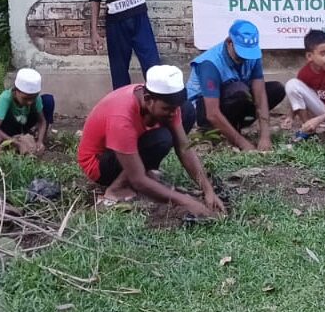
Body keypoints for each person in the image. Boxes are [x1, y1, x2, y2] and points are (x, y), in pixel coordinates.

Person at [76, 65, 225, 216]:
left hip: (125, 148)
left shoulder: (161, 101)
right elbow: (137, 180)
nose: (173, 113)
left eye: (174, 108)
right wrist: (187, 201)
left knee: (186, 111)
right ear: (148, 100)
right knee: (161, 140)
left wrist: (208, 190)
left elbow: (184, 147)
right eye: (167, 109)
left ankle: (144, 170)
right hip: (99, 164)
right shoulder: (122, 117)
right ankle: (116, 188)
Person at [185, 20, 285, 152]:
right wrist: (243, 144)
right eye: (241, 53)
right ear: (229, 42)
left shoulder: (253, 56)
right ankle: (215, 132)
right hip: (205, 112)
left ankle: (234, 127)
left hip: (234, 100)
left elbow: (260, 95)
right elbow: (212, 113)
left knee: (276, 89)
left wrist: (265, 137)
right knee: (239, 90)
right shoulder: (209, 64)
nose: (245, 58)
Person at [0, 68, 55, 154]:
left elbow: (42, 121)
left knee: (48, 100)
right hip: (9, 127)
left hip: (24, 124)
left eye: (33, 98)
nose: (30, 102)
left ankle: (37, 138)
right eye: (26, 98)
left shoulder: (35, 99)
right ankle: (12, 138)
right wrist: (16, 143)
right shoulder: (6, 98)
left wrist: (40, 141)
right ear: (16, 91)